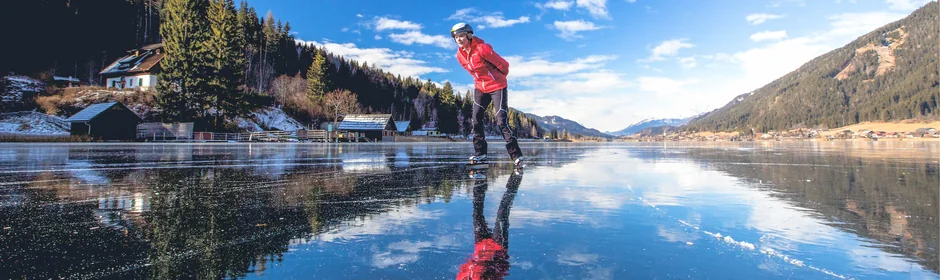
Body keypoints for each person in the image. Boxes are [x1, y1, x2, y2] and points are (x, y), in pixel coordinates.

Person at [451, 22, 525, 168]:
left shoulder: (482, 48)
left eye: (461, 36)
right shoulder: (459, 55)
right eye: (456, 37)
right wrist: (481, 81)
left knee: (501, 120)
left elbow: (504, 65)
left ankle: (516, 155)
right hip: (480, 88)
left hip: (497, 86)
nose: (459, 39)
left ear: (469, 35)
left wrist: (497, 78)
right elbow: (472, 71)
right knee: (476, 119)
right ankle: (480, 153)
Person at [456, 172, 523, 280]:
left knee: (477, 213)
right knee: (502, 214)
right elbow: (502, 266)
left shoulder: (462, 278)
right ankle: (514, 182)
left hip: (480, 245)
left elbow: (465, 267)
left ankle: (480, 181)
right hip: (498, 247)